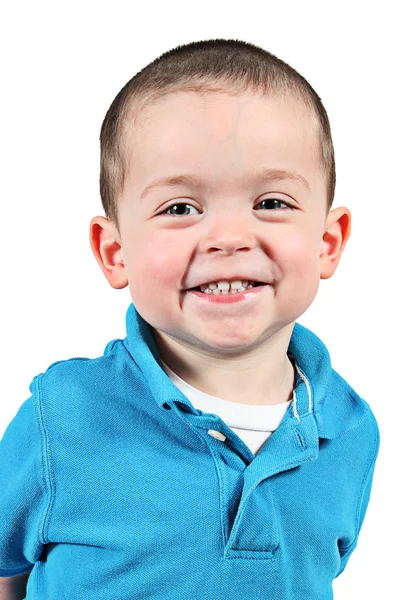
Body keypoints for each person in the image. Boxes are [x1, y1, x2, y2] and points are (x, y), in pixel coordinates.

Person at [0, 39, 379, 599]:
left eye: (271, 202)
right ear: (115, 252)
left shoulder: (349, 432)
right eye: (181, 208)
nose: (229, 237)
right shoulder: (63, 415)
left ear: (327, 241)